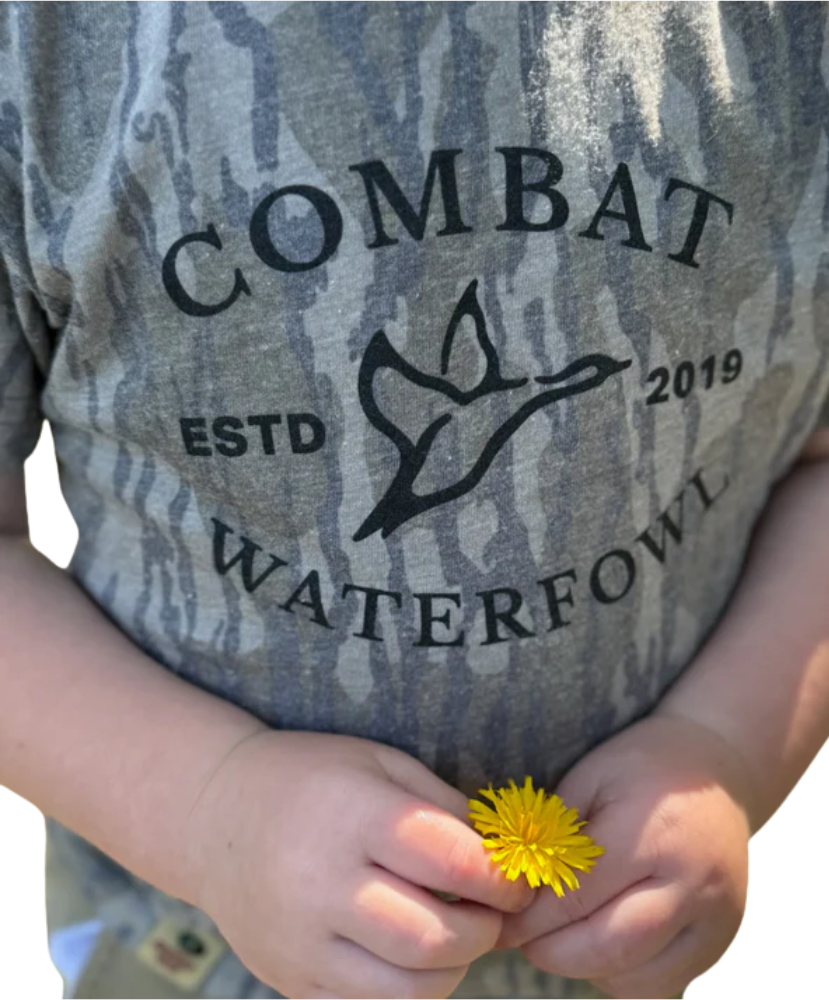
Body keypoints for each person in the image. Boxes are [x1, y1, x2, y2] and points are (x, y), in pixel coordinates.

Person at [1, 2, 828, 998]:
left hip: (627, 944)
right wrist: (204, 804)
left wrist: (727, 748)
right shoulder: (46, 43)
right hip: (182, 939)